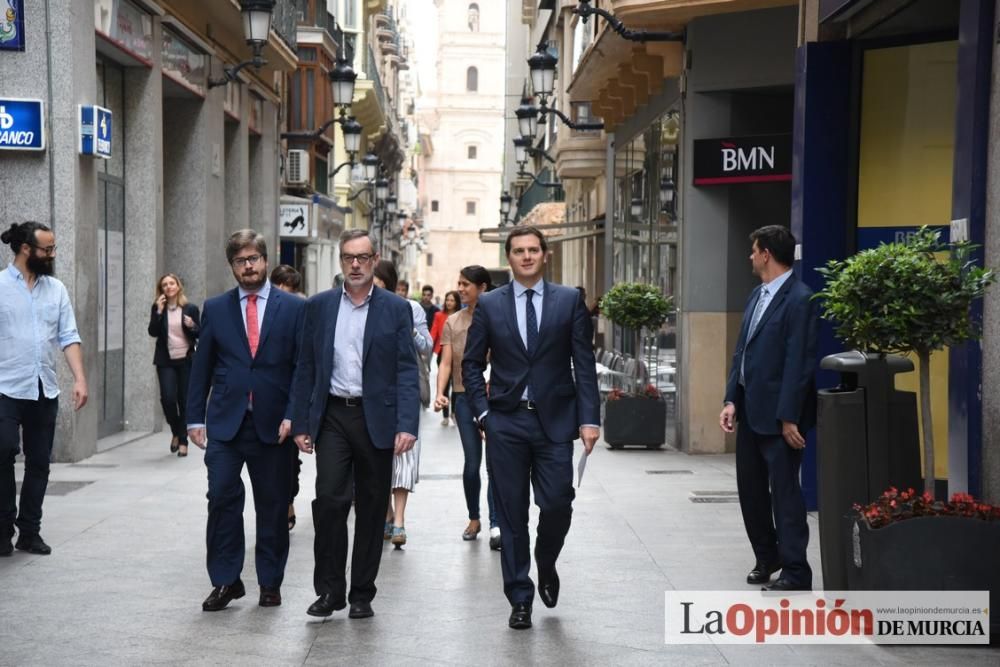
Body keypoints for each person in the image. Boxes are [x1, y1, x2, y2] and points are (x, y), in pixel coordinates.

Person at [462, 226, 600, 630]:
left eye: (533, 250)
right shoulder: (489, 304)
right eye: (519, 251)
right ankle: (519, 597)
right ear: (509, 258)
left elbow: (583, 363)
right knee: (511, 513)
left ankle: (546, 559)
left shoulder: (569, 301)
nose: (526, 256)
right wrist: (483, 413)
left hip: (555, 421)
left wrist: (589, 417)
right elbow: (472, 363)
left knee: (558, 502)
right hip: (505, 421)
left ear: (545, 255)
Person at [291, 229, 419, 620]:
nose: (356, 264)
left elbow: (405, 370)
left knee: (371, 505)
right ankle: (330, 591)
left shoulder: (396, 309)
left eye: (363, 257)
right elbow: (305, 367)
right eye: (349, 257)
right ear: (341, 261)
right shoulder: (319, 306)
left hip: (376, 417)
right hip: (332, 415)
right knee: (329, 501)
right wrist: (300, 421)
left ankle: (362, 592)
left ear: (374, 258)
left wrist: (407, 424)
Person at [186, 229, 305, 611]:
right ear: (232, 266)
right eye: (240, 260)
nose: (248, 266)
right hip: (225, 421)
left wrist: (294, 416)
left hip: (274, 425)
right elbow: (201, 367)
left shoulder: (293, 308)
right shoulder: (216, 308)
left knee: (272, 505)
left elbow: (303, 368)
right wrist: (193, 418)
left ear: (266, 261)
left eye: (253, 258)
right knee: (221, 497)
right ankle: (226, 580)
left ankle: (270, 582)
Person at [719, 225, 818, 593]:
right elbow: (741, 352)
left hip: (780, 419)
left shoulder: (800, 298)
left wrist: (789, 416)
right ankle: (767, 557)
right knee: (751, 492)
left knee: (786, 495)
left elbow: (799, 362)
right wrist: (731, 399)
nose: (750, 256)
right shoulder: (756, 295)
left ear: (766, 254)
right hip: (749, 411)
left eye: (753, 250)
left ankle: (796, 570)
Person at [0, 222, 88, 557]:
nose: (52, 255)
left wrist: (79, 378)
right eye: (47, 249)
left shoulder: (56, 289)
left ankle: (29, 532)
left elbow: (68, 336)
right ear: (26, 249)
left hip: (43, 388)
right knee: (3, 452)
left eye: (53, 249)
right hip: (4, 387)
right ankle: (2, 528)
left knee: (39, 462)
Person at [434, 267, 501, 550]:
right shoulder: (453, 321)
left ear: (481, 287)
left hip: (496, 399)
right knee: (472, 464)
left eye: (466, 284)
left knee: (496, 464)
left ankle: (497, 522)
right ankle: (474, 518)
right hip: (463, 398)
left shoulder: (499, 317)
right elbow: (447, 362)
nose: (460, 288)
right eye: (458, 283)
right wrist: (440, 393)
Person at [373, 260, 432, 548]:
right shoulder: (362, 307)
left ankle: (400, 520)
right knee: (378, 454)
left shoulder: (412, 308)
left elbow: (427, 347)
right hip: (374, 393)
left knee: (405, 455)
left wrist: (409, 330)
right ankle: (385, 513)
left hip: (405, 391)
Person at [147, 273, 200, 457]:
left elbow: (199, 333)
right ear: (161, 290)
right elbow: (152, 332)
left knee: (184, 400)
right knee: (168, 399)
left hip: (186, 359)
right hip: (165, 361)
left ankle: (183, 440)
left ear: (178, 286)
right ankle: (176, 431)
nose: (169, 287)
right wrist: (159, 312)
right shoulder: (157, 307)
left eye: (171, 283)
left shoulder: (190, 308)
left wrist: (193, 325)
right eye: (164, 285)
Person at [270, 264, 306, 532]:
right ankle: (276, 506)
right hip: (265, 401)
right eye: (279, 287)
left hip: (291, 399)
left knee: (291, 461)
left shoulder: (301, 312)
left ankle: (289, 501)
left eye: (289, 289)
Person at [429, 290, 461, 426]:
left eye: (452, 300)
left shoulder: (461, 316)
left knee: (456, 384)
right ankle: (445, 415)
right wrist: (428, 348)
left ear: (457, 302)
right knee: (445, 384)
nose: (449, 302)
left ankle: (454, 412)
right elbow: (434, 332)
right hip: (443, 351)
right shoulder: (438, 315)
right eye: (447, 300)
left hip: (458, 353)